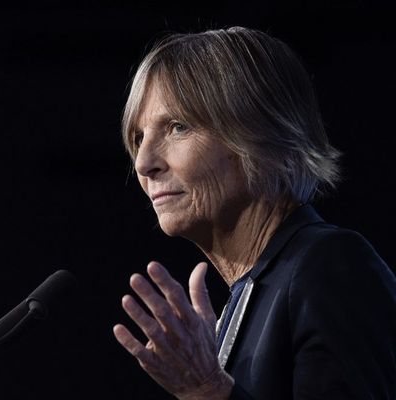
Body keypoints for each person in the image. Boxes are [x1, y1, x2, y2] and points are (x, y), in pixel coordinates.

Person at [112, 26, 396, 399]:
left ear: (258, 136)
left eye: (178, 127)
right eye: (138, 138)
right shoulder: (249, 296)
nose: (144, 163)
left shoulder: (329, 265)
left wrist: (208, 391)